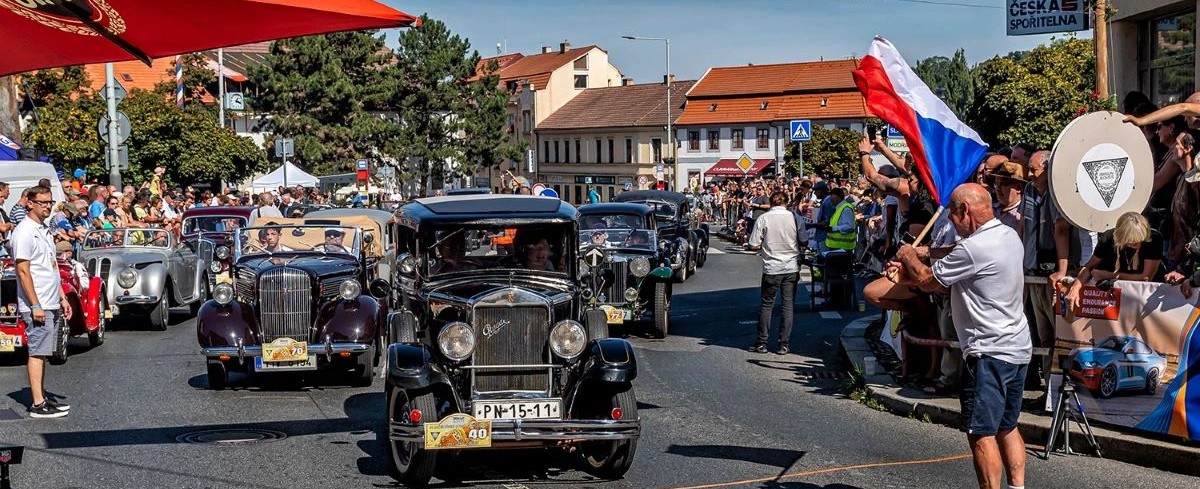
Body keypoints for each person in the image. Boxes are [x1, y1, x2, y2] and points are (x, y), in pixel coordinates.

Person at [892, 183, 1030, 489]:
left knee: (981, 433)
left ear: (964, 211)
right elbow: (959, 251)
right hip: (1017, 346)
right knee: (1008, 426)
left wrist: (908, 256)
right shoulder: (1008, 235)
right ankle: (1018, 487)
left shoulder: (974, 248)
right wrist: (925, 251)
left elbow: (928, 281)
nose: (952, 224)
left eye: (952, 217)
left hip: (988, 351)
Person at [13, 186, 73, 419]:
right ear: (29, 203)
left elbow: (51, 266)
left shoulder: (44, 229)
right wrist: (35, 305)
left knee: (44, 351)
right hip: (37, 303)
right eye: (42, 202)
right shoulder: (25, 231)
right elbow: (23, 270)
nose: (47, 206)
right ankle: (37, 404)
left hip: (50, 300)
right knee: (37, 352)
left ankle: (42, 397)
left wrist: (61, 296)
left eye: (49, 202)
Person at [1065, 212, 1163, 309]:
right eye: (1133, 243)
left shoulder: (1153, 239)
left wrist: (1108, 275)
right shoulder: (1108, 238)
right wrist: (1076, 287)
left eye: (1140, 241)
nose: (1138, 245)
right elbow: (1089, 267)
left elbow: (1145, 278)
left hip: (1144, 297)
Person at [746, 191, 802, 355]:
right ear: (787, 202)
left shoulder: (764, 218)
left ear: (771, 203)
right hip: (791, 266)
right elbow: (804, 240)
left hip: (772, 267)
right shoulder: (794, 217)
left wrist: (765, 244)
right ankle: (783, 344)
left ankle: (762, 343)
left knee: (767, 305)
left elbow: (753, 244)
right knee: (788, 305)